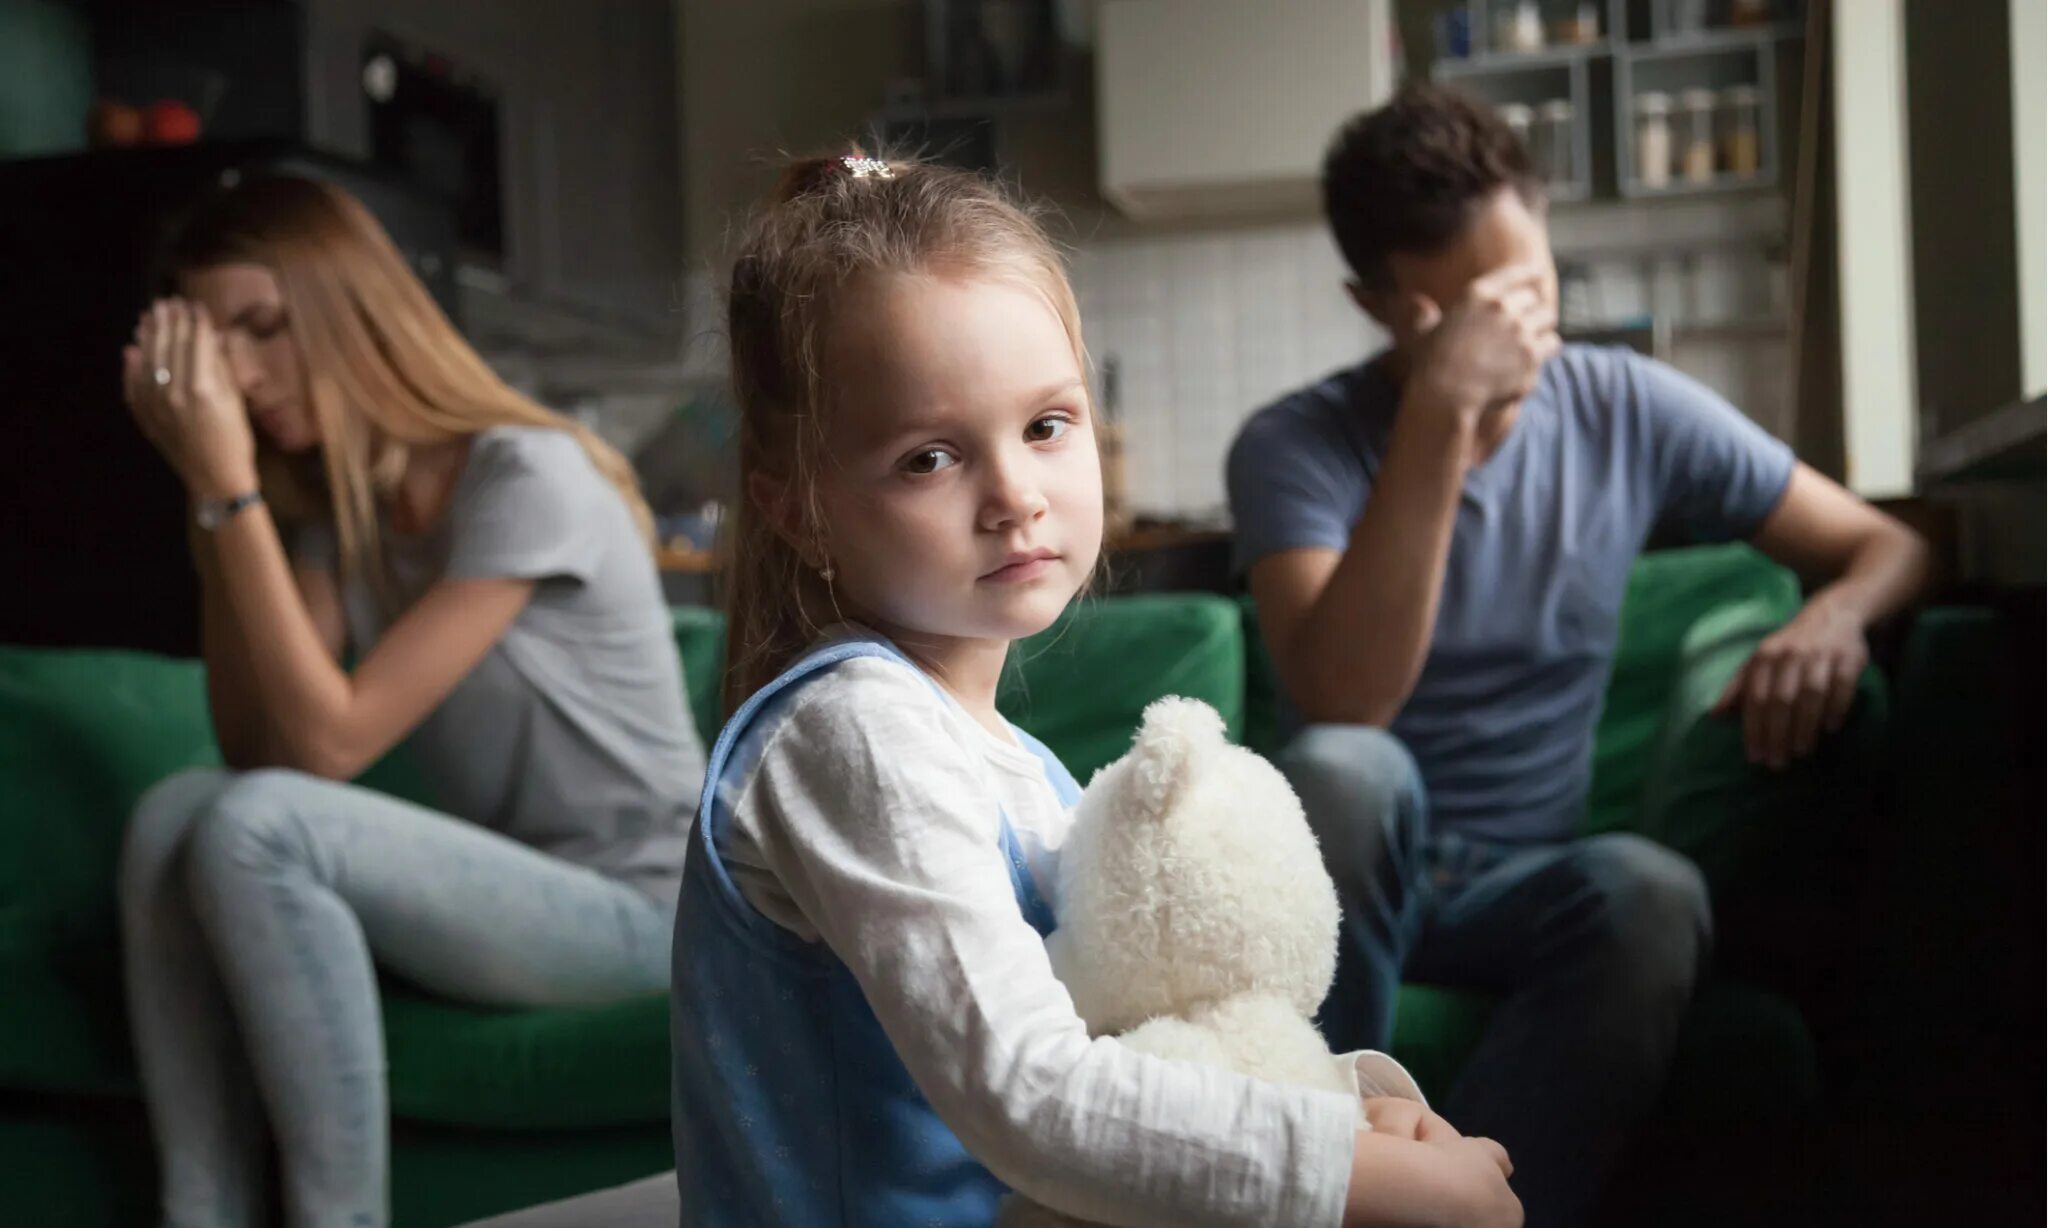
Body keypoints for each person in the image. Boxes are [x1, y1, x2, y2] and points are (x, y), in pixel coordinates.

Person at [659, 150, 1524, 1228]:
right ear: (797, 511)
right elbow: (1029, 1092)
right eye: (929, 458)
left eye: (1044, 425)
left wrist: (1350, 1113)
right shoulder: (852, 736)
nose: (1015, 495)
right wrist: (1345, 1174)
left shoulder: (1018, 768)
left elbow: (1124, 1050)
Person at [1226, 83, 1933, 1227]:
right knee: (1353, 769)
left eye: (1533, 292)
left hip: (1523, 878)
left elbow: (1886, 542)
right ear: (1380, 305)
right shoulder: (1290, 445)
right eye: (1474, 312)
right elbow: (1344, 699)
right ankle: (1335, 1182)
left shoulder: (1626, 408)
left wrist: (1835, 614)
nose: (1517, 338)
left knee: (1652, 890)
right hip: (1352, 876)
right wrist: (1438, 422)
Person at [115, 175, 706, 1228]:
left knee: (257, 826)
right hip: (519, 899)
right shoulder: (330, 523)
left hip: (652, 908)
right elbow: (261, 745)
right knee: (176, 813)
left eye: (264, 327)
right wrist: (215, 500)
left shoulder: (526, 476)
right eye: (218, 349)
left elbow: (328, 748)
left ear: (350, 309)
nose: (244, 377)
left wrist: (226, 490)